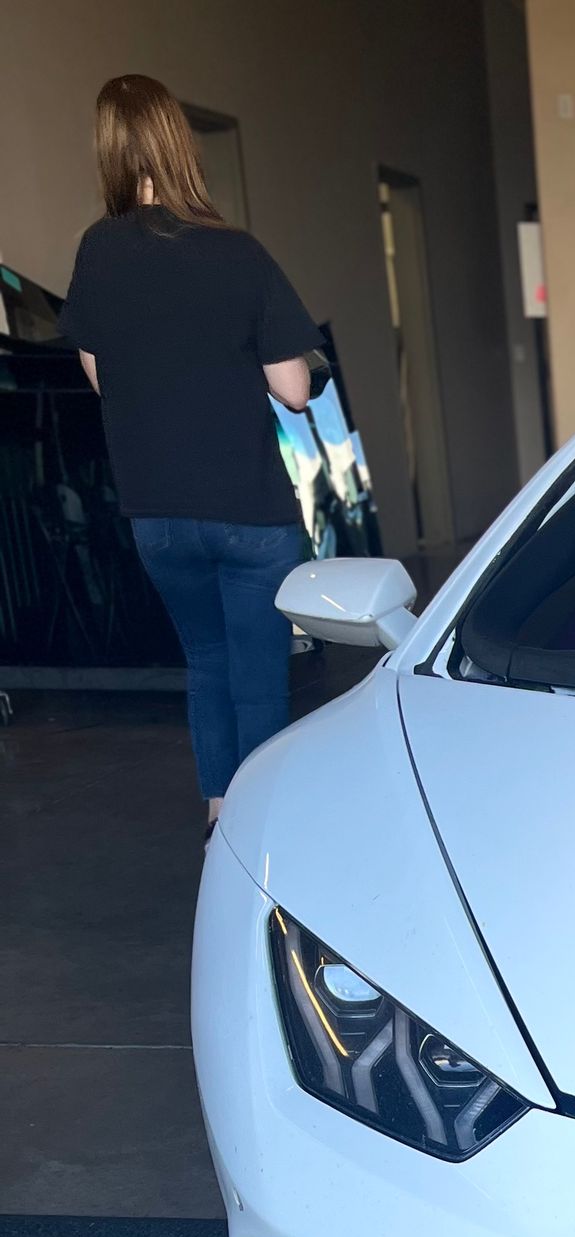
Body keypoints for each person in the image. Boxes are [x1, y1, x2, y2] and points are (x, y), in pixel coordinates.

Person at [61, 74, 319, 832]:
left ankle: (218, 820)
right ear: (180, 142)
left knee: (206, 663)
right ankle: (261, 838)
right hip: (249, 512)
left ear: (110, 148)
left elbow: (102, 376)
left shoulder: (97, 251)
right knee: (259, 677)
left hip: (158, 514)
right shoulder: (235, 252)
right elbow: (296, 390)